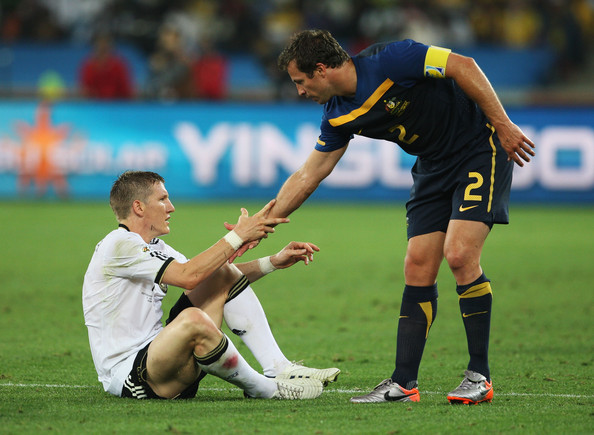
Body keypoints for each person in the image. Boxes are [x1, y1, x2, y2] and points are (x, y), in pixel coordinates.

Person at [257, 29, 535, 404]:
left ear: (321, 69)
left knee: (459, 254)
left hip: (478, 147)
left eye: (300, 81)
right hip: (432, 166)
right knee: (417, 265)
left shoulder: (393, 59)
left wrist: (502, 124)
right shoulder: (337, 115)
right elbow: (308, 175)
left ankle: (479, 376)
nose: (300, 91)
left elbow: (463, 65)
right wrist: (262, 223)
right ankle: (403, 384)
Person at [82, 170, 340, 400]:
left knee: (220, 272)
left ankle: (279, 368)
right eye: (162, 199)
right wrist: (237, 236)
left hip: (165, 358)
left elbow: (208, 276)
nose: (171, 207)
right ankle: (265, 388)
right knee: (193, 319)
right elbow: (189, 276)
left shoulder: (154, 246)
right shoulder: (118, 244)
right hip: (133, 374)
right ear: (138, 207)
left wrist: (272, 262)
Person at [79, 32, 134, 99]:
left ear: (111, 48)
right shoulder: (88, 66)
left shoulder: (119, 65)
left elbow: (126, 90)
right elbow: (85, 90)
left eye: (105, 46)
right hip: (95, 103)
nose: (102, 47)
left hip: (117, 102)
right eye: (100, 46)